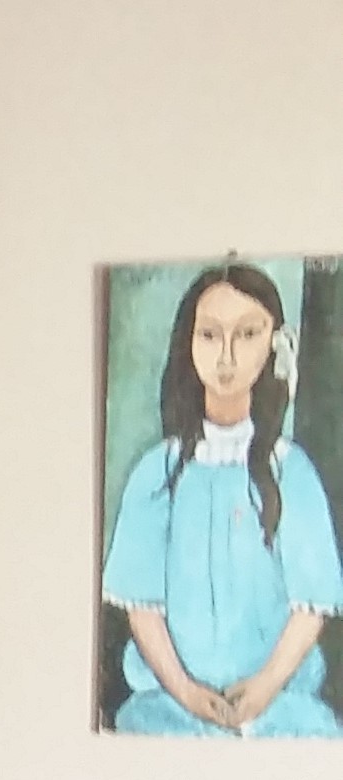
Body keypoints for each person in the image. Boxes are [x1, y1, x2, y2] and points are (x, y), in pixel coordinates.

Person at [102, 260, 343, 736]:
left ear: (276, 343)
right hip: (168, 709)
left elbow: (310, 605)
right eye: (210, 335)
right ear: (188, 342)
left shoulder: (291, 472)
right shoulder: (156, 473)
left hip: (280, 709)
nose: (227, 356)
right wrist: (188, 694)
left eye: (248, 334)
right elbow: (142, 606)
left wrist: (263, 690)